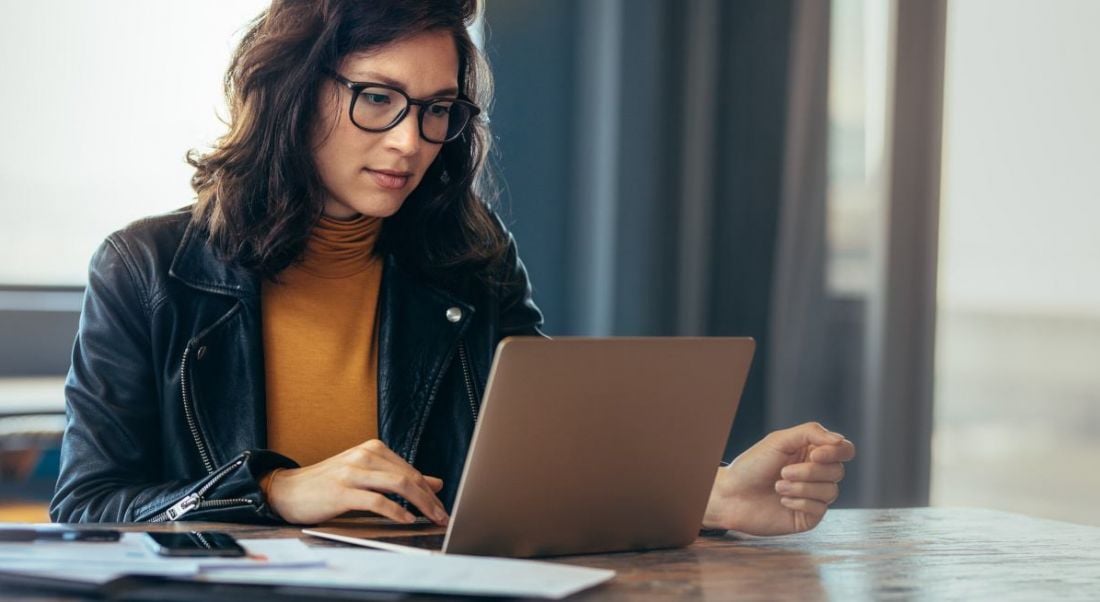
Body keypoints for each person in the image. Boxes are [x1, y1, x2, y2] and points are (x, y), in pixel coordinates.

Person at [50, 0, 855, 536]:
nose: (409, 140)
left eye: (438, 109)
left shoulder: (470, 257)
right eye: (377, 98)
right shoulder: (148, 269)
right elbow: (85, 508)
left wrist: (708, 494)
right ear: (293, 91)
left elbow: (544, 464)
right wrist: (272, 493)